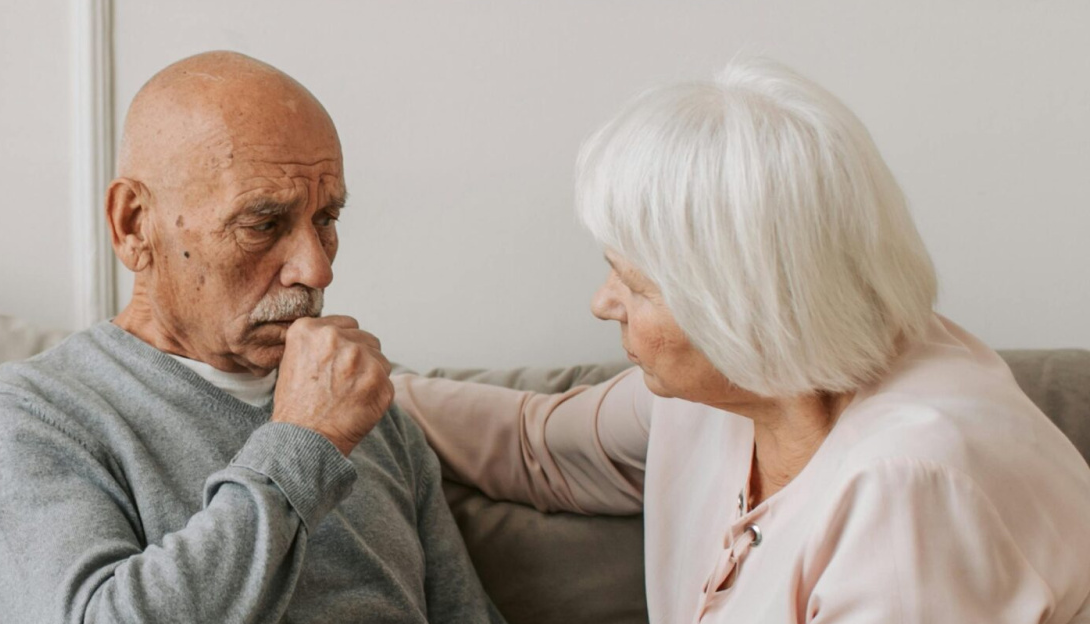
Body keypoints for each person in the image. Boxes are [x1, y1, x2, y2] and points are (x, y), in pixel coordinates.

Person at [393, 59, 1090, 622]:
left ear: (737, 304)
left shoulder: (909, 488)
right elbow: (537, 446)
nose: (602, 303)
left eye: (634, 285)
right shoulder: (741, 386)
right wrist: (348, 379)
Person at [0, 51, 501, 623]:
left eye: (326, 219)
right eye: (263, 224)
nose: (316, 270)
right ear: (134, 224)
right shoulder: (31, 417)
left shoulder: (367, 409)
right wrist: (306, 441)